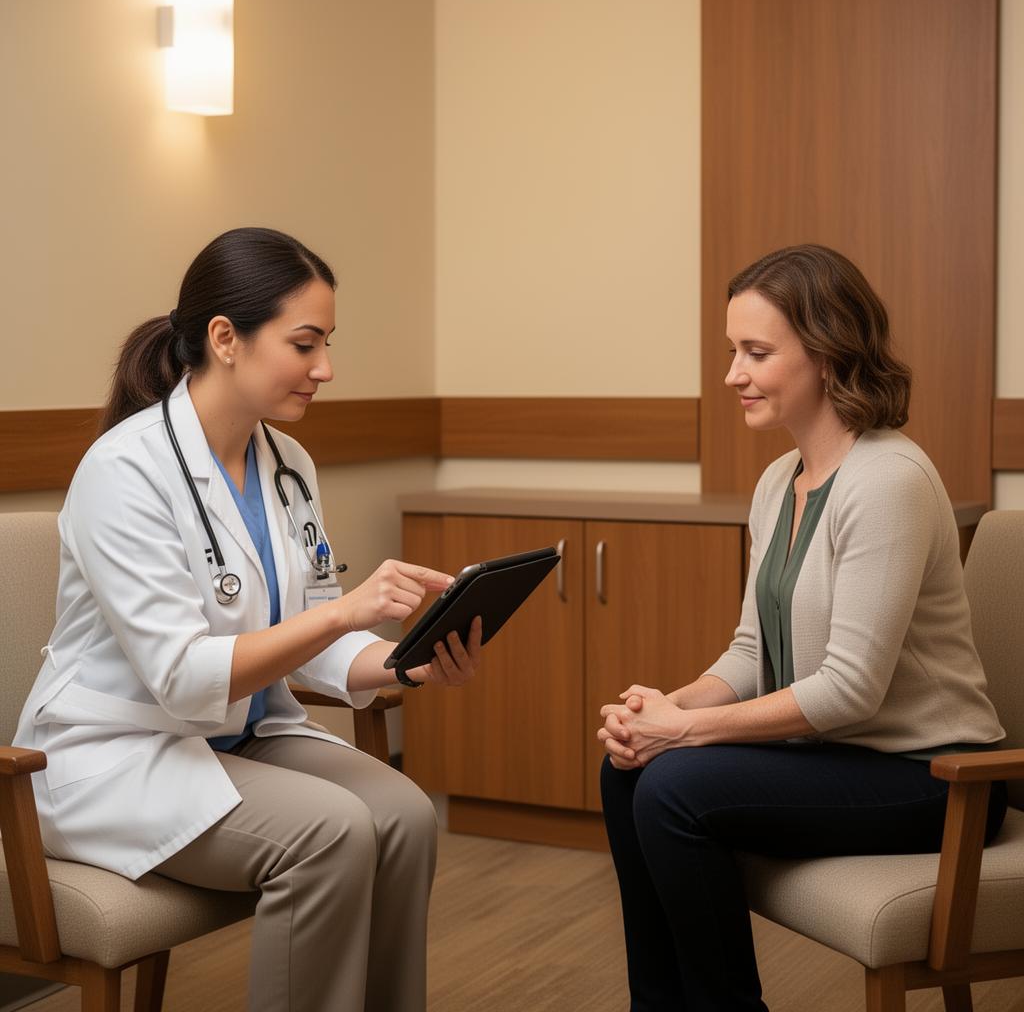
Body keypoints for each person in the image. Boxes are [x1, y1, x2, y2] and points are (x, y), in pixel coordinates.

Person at [14, 227, 481, 1012]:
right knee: (330, 833)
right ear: (225, 338)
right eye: (305, 344)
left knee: (404, 815)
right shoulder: (125, 472)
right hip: (121, 755)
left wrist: (407, 660)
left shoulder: (287, 464)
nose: (325, 369)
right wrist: (343, 616)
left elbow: (317, 639)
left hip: (237, 734)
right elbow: (181, 674)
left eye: (327, 343)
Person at [597, 243, 1007, 1012]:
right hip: (843, 760)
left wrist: (685, 734)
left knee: (675, 786)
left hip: (935, 781)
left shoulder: (888, 479)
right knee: (628, 772)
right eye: (732, 351)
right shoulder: (778, 481)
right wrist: (668, 709)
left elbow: (850, 690)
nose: (732, 375)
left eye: (756, 352)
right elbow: (754, 649)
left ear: (825, 353)